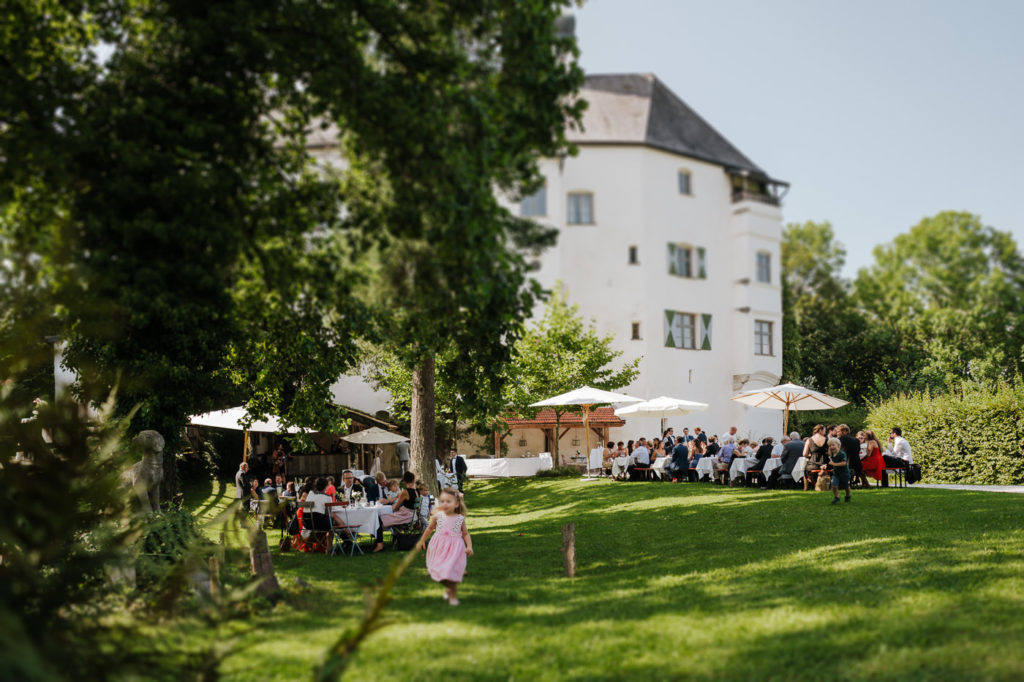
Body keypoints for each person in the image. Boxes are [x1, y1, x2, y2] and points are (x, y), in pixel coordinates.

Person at [416, 488, 473, 606]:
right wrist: (422, 540)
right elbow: (430, 528)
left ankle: (453, 597)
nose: (445, 504)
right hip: (439, 548)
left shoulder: (460, 519)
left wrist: (469, 546)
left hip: (455, 549)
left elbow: (465, 534)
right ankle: (449, 588)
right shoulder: (438, 516)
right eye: (442, 501)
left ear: (456, 504)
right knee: (437, 573)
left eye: (448, 501)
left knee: (451, 573)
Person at [372, 471, 419, 553]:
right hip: (413, 516)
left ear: (404, 481)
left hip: (405, 516)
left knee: (379, 518)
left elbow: (396, 507)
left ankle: (380, 544)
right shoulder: (417, 491)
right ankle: (394, 539)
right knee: (386, 517)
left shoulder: (405, 492)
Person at [801, 425, 828, 491]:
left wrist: (810, 456)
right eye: (824, 430)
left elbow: (804, 454)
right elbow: (829, 453)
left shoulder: (809, 440)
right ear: (820, 430)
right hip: (824, 464)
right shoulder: (826, 439)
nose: (825, 432)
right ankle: (826, 486)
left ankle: (806, 488)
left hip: (813, 464)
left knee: (804, 469)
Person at [826, 437, 851, 504]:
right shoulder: (832, 455)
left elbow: (844, 463)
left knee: (846, 486)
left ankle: (848, 496)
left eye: (833, 445)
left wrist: (834, 464)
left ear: (838, 445)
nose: (831, 447)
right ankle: (837, 497)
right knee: (834, 485)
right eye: (830, 446)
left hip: (844, 473)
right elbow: (830, 460)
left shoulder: (842, 454)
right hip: (836, 473)